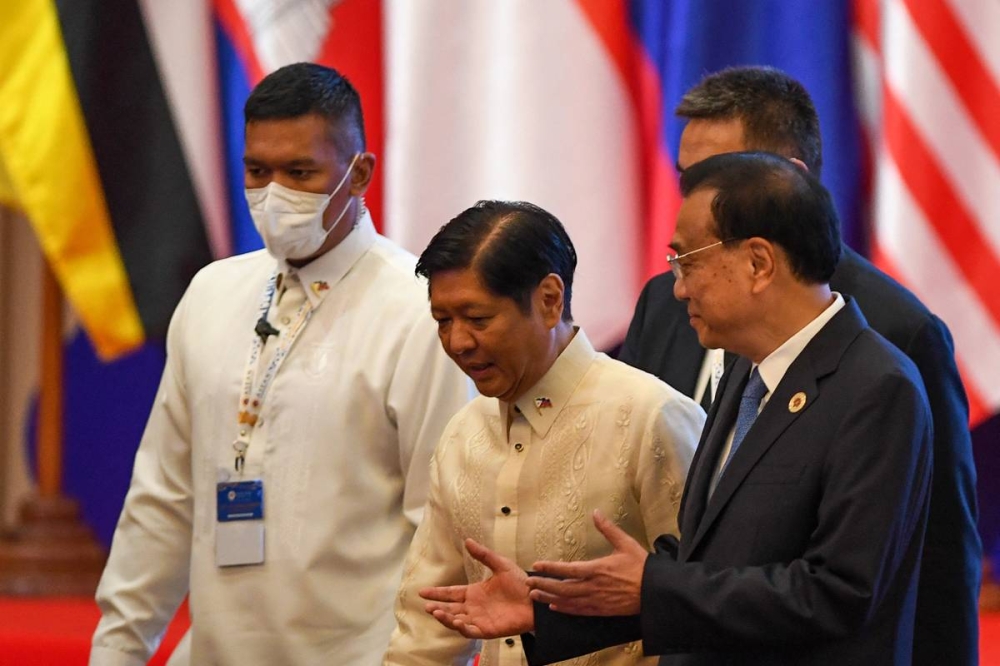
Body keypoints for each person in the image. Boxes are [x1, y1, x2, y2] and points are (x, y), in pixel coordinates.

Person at [421, 153, 934, 665]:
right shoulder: (744, 373)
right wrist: (550, 614)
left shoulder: (877, 387)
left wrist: (652, 586)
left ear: (758, 263)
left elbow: (836, 594)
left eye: (688, 262)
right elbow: (703, 564)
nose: (678, 287)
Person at [89, 63, 473, 665]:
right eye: (257, 171)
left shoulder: (421, 309)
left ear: (359, 173)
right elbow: (163, 496)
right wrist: (117, 648)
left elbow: (444, 532)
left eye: (299, 172)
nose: (273, 194)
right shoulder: (212, 293)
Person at [617, 66, 979, 664]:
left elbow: (931, 560)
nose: (689, 204)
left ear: (787, 183)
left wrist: (657, 589)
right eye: (686, 179)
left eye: (715, 179)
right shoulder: (670, 306)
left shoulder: (896, 341)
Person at [382, 200, 704, 666]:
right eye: (442, 321)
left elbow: (702, 605)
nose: (457, 343)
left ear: (550, 300)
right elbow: (428, 622)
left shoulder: (651, 416)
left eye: (477, 319)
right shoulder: (462, 434)